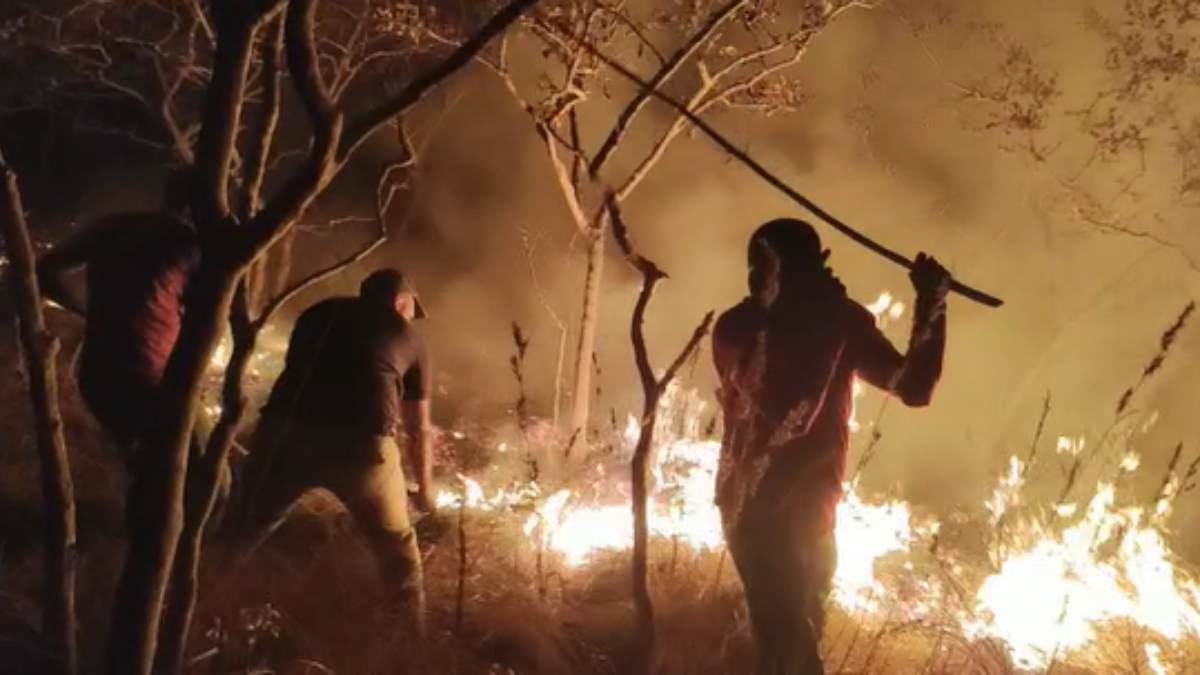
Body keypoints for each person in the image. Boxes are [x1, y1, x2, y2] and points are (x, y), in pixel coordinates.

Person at [711, 218, 950, 675]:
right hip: (798, 515)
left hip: (742, 511)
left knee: (783, 646)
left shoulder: (731, 327)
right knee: (794, 654)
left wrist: (831, 305)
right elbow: (914, 387)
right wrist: (931, 305)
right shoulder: (835, 322)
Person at [234, 267, 436, 636]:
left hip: (285, 433)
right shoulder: (409, 335)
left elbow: (296, 371)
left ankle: (194, 607)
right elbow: (418, 429)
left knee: (241, 533)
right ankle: (411, 647)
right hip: (360, 447)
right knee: (399, 553)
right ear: (400, 302)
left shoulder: (318, 313)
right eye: (410, 309)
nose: (410, 317)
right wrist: (425, 491)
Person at [36, 173, 206, 522]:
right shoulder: (191, 245)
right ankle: (171, 549)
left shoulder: (116, 226)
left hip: (98, 371)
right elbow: (205, 310)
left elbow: (45, 269)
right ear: (200, 206)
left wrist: (85, 310)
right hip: (148, 374)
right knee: (199, 467)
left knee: (146, 464)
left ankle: (143, 548)